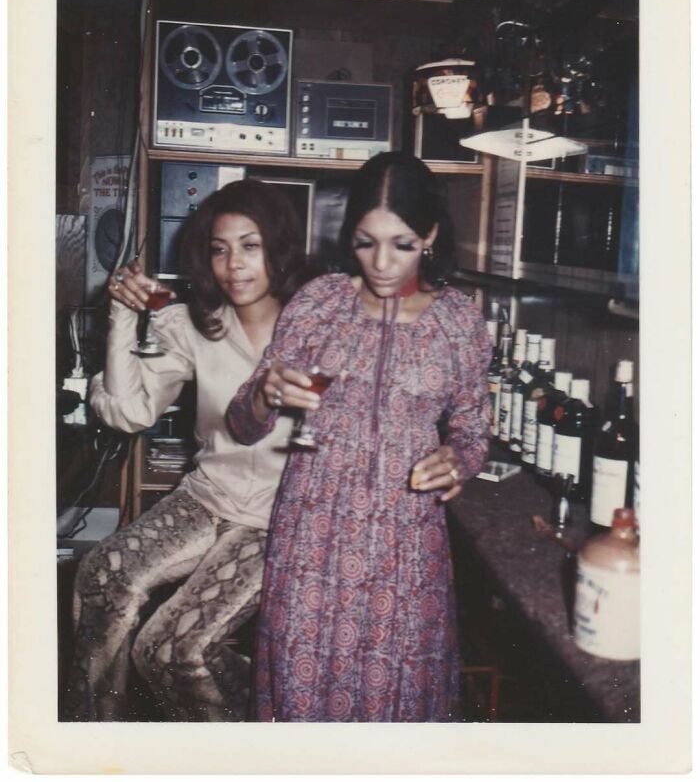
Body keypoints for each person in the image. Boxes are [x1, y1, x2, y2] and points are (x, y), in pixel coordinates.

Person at [226, 151, 492, 722]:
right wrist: (265, 391)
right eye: (366, 242)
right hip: (312, 536)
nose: (382, 262)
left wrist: (458, 462)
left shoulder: (459, 323)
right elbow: (242, 424)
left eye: (402, 244)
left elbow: (472, 431)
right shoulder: (318, 304)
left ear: (431, 237)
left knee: (396, 697)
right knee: (300, 690)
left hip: (407, 541)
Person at [63, 179, 307, 721]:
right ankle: (92, 740)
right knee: (102, 576)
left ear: (278, 248)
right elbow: (130, 411)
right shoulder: (197, 324)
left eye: (250, 245)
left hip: (277, 520)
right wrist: (123, 315)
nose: (234, 264)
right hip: (206, 499)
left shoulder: (315, 326)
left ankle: (253, 736)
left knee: (172, 652)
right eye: (219, 249)